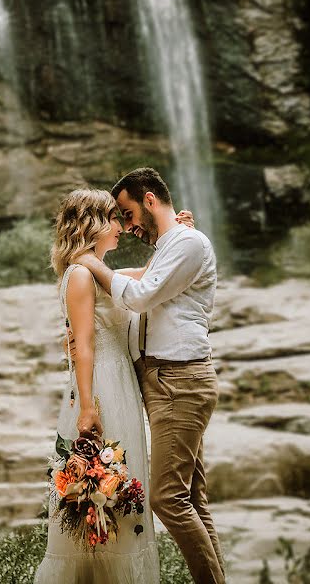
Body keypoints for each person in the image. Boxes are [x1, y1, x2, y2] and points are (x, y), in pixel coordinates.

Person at [73, 167, 225, 583]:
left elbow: (139, 298)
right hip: (164, 381)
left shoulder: (188, 243)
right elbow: (134, 284)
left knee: (167, 499)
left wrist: (87, 261)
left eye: (127, 213)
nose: (126, 225)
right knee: (190, 497)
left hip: (180, 380)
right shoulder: (170, 246)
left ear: (149, 200)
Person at [34, 188, 160, 584]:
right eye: (112, 218)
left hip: (117, 385)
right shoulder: (82, 275)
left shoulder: (96, 272)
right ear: (91, 224)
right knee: (103, 494)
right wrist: (88, 407)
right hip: (100, 388)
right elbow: (84, 345)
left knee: (120, 497)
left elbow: (151, 278)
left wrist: (176, 235)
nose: (120, 227)